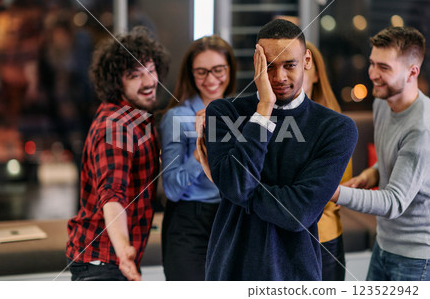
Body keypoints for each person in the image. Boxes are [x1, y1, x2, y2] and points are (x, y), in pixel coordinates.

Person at [197, 19, 358, 281]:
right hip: (230, 269)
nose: (278, 77)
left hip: (294, 275)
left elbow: (299, 213)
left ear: (307, 60)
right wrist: (264, 109)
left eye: (289, 65)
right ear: (256, 63)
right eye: (269, 67)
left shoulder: (337, 128)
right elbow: (236, 185)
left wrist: (240, 190)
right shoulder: (224, 112)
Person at [66, 26, 169, 281]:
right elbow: (112, 195)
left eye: (151, 70)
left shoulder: (135, 118)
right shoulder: (118, 126)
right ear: (116, 82)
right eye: (135, 75)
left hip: (107, 260)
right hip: (103, 262)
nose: (148, 82)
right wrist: (124, 250)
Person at [331, 26, 430, 281]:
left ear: (412, 72)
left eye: (384, 68)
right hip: (384, 243)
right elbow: (393, 161)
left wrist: (335, 193)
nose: (373, 74)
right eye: (372, 63)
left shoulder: (422, 129)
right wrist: (369, 175)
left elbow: (394, 202)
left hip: (416, 257)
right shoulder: (382, 102)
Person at [159, 35, 236, 280]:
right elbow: (171, 189)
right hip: (187, 225)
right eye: (201, 72)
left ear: (230, 70)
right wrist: (202, 145)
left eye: (218, 70)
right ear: (191, 74)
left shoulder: (239, 115)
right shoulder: (176, 118)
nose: (211, 80)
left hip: (228, 221)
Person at [303, 41, 353, 281]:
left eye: (302, 67)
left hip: (324, 238)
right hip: (278, 239)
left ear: (316, 75)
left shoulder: (336, 124)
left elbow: (337, 187)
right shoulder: (266, 120)